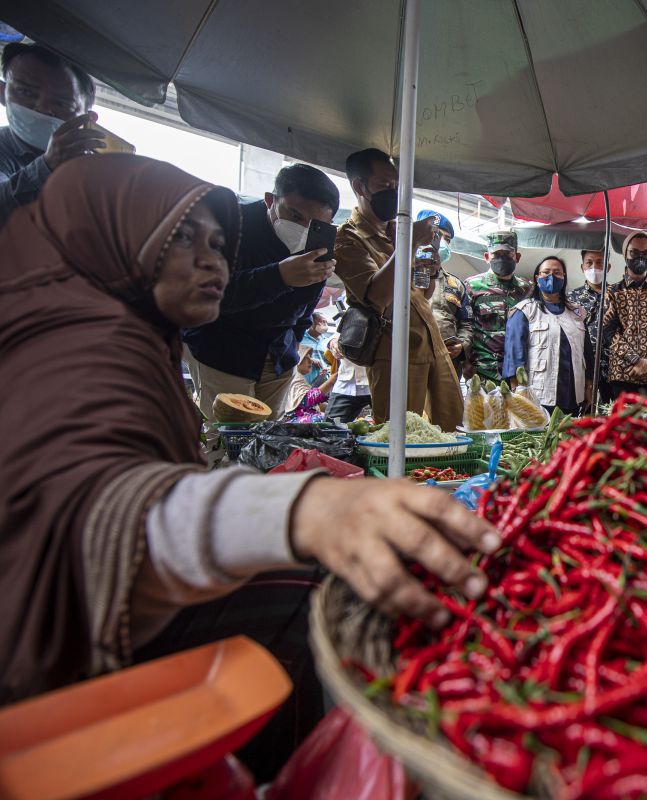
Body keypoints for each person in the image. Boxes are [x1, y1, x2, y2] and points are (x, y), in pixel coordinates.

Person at [0, 154, 499, 736]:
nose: (212, 259)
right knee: (326, 602)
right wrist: (298, 508)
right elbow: (105, 504)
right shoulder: (66, 349)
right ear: (104, 240)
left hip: (115, 617)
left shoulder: (142, 344)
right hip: (53, 667)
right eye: (181, 238)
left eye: (219, 243)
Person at [182, 164, 339, 420]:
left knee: (267, 437)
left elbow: (306, 307)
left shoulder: (318, 243)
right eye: (295, 215)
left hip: (278, 357)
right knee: (226, 435)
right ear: (270, 200)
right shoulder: (228, 226)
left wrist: (296, 339)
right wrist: (279, 276)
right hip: (221, 350)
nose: (303, 227)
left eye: (316, 224)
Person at [333, 148, 461, 429]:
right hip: (394, 353)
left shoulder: (396, 230)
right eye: (384, 185)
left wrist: (428, 272)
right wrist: (409, 242)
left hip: (432, 344)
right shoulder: (348, 239)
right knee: (400, 434)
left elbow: (420, 295)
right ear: (359, 186)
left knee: (451, 424)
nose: (392, 192)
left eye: (396, 186)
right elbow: (377, 296)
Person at [0, 42, 102, 229]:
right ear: (2, 93)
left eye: (61, 103)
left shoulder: (86, 171)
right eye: (26, 92)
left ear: (89, 119)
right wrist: (46, 167)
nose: (42, 108)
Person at [502, 256, 589, 414]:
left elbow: (587, 352)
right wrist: (516, 391)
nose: (552, 277)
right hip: (538, 393)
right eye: (546, 272)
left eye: (557, 273)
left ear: (564, 277)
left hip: (572, 392)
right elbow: (514, 355)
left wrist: (589, 386)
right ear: (537, 278)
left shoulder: (577, 312)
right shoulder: (524, 311)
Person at [602, 231, 647, 397]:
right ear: (625, 253)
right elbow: (608, 332)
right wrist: (636, 360)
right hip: (623, 373)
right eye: (634, 252)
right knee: (622, 423)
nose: (641, 257)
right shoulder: (612, 291)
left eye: (646, 253)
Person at [467, 230, 531, 383]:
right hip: (484, 371)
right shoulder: (472, 286)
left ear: (517, 257)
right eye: (497, 254)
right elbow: (466, 326)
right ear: (487, 257)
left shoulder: (528, 288)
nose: (502, 259)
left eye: (507, 254)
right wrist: (466, 362)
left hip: (520, 371)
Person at [422, 210, 473, 378]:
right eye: (437, 234)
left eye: (447, 239)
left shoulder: (456, 284)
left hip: (447, 364)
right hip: (409, 360)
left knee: (446, 405)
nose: (442, 242)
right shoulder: (400, 276)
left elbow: (467, 323)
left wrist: (462, 345)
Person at [567, 249, 611, 404]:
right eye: (589, 263)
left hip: (612, 368)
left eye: (600, 262)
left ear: (608, 266)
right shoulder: (571, 298)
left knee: (611, 412)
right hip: (582, 366)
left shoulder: (617, 295)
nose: (594, 267)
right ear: (582, 267)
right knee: (583, 412)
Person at [324, 335, 373, 423]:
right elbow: (341, 327)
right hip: (347, 383)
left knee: (394, 429)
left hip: (383, 382)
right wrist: (332, 341)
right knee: (329, 428)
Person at [283, 345, 336, 423]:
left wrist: (337, 409)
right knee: (321, 419)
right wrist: (332, 380)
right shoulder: (295, 378)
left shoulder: (300, 378)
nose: (311, 361)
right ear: (298, 361)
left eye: (310, 358)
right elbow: (305, 401)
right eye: (306, 358)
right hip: (291, 422)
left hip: (300, 419)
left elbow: (315, 405)